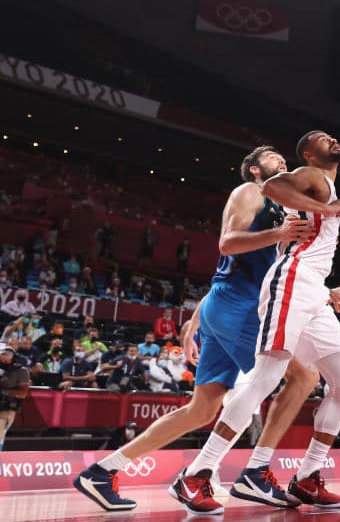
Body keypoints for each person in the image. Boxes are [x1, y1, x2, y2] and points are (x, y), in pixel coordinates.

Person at [73, 146, 320, 512]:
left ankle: (103, 470)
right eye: (271, 157)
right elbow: (227, 244)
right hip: (240, 308)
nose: (281, 159)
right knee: (303, 376)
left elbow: (231, 270)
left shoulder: (277, 207)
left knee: (201, 411)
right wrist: (279, 233)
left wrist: (197, 317)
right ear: (254, 169)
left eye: (282, 157)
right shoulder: (251, 192)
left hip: (227, 304)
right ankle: (248, 472)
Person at [171, 133, 340, 514]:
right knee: (267, 376)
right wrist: (326, 208)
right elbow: (273, 186)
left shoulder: (326, 183)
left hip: (312, 287)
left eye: (333, 136)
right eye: (323, 139)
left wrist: (329, 291)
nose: (333, 139)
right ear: (308, 154)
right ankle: (197, 472)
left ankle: (307, 476)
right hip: (290, 279)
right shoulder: (313, 175)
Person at [0, 344, 30, 451]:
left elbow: (23, 393)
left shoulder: (20, 370)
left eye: (6, 355)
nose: (3, 358)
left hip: (6, 408)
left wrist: (4, 391)